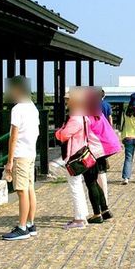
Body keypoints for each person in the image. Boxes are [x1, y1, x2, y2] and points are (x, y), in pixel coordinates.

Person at [2, 76, 40, 241]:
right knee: (30, 189)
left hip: (20, 154)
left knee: (21, 191)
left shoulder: (17, 109)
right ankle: (30, 224)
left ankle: (22, 227)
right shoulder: (32, 107)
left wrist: (9, 161)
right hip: (31, 152)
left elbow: (13, 137)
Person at [55, 88, 99, 229]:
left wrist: (59, 131)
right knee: (78, 186)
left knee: (75, 188)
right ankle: (81, 217)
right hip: (81, 154)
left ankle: (79, 219)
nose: (67, 103)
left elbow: (62, 135)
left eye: (68, 100)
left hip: (74, 156)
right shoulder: (84, 116)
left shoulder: (75, 118)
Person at [86, 88, 122, 221]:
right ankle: (105, 209)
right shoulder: (99, 114)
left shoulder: (87, 116)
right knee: (98, 179)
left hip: (95, 151)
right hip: (104, 149)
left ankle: (97, 214)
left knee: (91, 182)